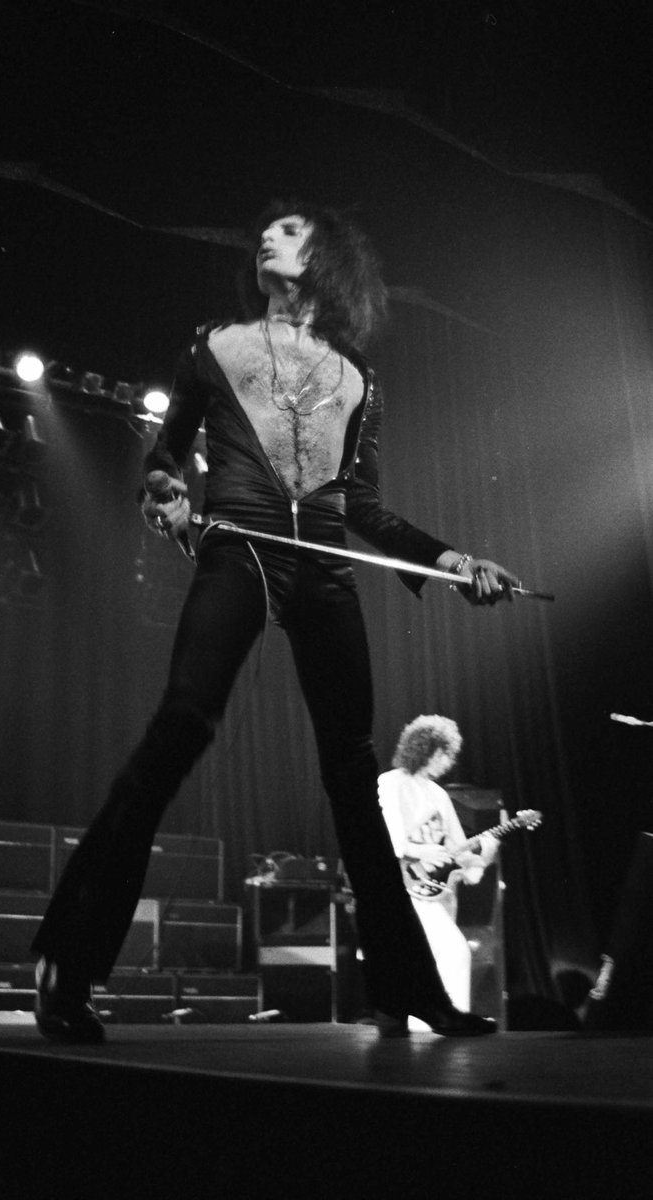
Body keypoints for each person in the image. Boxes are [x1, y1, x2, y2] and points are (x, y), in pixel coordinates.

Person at [32, 199, 519, 1042]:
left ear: (325, 257)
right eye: (268, 231)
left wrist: (446, 560)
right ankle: (69, 962)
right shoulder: (212, 347)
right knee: (182, 722)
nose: (268, 236)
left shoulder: (358, 377)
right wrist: (167, 489)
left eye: (290, 230)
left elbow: (360, 502)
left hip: (325, 569)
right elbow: (166, 451)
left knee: (352, 771)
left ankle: (409, 992)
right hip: (240, 550)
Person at [378, 715, 497, 1029]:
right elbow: (390, 839)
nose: (448, 762)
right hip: (403, 887)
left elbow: (458, 847)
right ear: (425, 749)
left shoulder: (438, 794)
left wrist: (482, 854)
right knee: (454, 951)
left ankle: (435, 1024)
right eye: (444, 753)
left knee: (436, 959)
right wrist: (421, 851)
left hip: (434, 893)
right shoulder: (391, 784)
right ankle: (445, 1022)